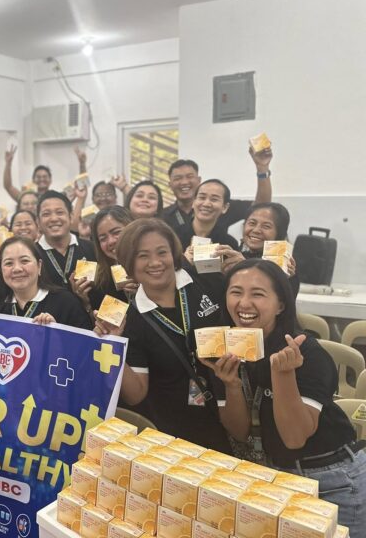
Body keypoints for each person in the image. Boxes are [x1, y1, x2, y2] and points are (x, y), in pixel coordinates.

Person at [205, 260, 365, 535]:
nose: (244, 303)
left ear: (280, 305)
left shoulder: (306, 353)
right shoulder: (225, 349)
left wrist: (283, 376)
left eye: (258, 294)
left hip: (331, 478)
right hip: (274, 476)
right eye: (235, 292)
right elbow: (240, 431)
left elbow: (294, 437)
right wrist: (230, 384)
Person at [96, 218, 232, 452]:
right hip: (173, 433)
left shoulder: (203, 279)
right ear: (129, 264)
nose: (155, 263)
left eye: (162, 252)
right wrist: (112, 344)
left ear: (173, 253)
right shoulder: (132, 319)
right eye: (143, 256)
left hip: (230, 414)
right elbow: (136, 394)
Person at [162, 143, 273, 230]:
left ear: (199, 180)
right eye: (178, 178)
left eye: (189, 176)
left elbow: (260, 207)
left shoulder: (218, 206)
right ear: (170, 185)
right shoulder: (162, 217)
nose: (184, 182)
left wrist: (262, 168)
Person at [0, 236, 92, 329]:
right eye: (9, 263)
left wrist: (58, 332)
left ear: (39, 266)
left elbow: (85, 344)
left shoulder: (66, 303)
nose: (17, 269)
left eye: (25, 261)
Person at [73, 206, 135, 313]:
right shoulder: (100, 280)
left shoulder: (152, 267)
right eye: (103, 238)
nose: (110, 241)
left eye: (116, 232)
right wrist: (85, 301)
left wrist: (143, 293)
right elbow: (108, 324)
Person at [36, 191, 96, 290]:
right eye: (46, 214)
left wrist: (87, 303)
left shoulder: (91, 249)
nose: (54, 218)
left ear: (71, 217)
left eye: (60, 212)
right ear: (38, 222)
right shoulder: (32, 255)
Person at [3, 144, 87, 201]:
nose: (41, 179)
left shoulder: (58, 196)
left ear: (50, 180)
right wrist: (8, 164)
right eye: (38, 177)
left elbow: (81, 187)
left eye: (45, 176)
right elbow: (8, 186)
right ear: (33, 180)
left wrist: (82, 164)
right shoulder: (27, 199)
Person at [174, 179, 240, 250]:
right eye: (202, 198)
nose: (206, 204)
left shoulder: (229, 244)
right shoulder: (173, 236)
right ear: (193, 202)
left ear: (225, 207)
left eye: (214, 199)